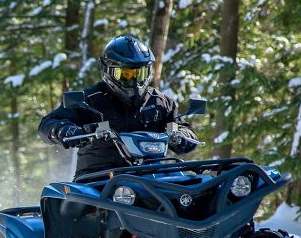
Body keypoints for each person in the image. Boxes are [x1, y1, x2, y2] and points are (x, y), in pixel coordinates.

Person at [39, 34, 198, 178]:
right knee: (73, 202)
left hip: (151, 179)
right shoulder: (90, 100)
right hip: (98, 179)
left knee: (188, 194)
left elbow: (182, 128)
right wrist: (66, 130)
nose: (134, 82)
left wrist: (183, 136)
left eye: (139, 74)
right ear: (108, 70)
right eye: (126, 75)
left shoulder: (161, 102)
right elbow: (47, 124)